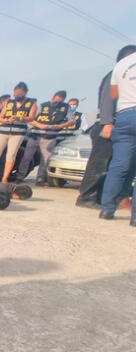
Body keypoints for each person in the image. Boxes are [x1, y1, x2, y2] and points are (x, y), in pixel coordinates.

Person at [77, 49, 133, 209]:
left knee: (111, 165)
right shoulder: (116, 75)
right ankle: (86, 197)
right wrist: (107, 123)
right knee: (99, 164)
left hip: (119, 125)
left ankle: (102, 198)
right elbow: (107, 100)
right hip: (107, 125)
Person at [99, 45, 136, 227]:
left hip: (124, 115)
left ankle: (107, 209)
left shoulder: (119, 67)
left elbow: (114, 95)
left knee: (118, 166)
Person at [17, 91, 73, 186]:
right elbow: (30, 119)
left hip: (50, 137)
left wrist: (60, 125)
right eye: (57, 99)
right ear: (53, 97)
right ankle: (20, 177)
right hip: (35, 135)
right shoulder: (43, 106)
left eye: (61, 100)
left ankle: (40, 179)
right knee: (27, 157)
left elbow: (72, 121)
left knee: (45, 159)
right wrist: (40, 125)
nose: (58, 102)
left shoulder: (66, 108)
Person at [0, 82, 37, 183]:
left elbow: (31, 117)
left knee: (11, 155)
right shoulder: (9, 102)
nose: (17, 96)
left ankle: (5, 178)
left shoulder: (31, 104)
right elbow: (0, 117)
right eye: (15, 94)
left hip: (18, 133)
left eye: (19, 94)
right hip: (3, 131)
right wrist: (5, 120)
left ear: (25, 93)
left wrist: (20, 118)